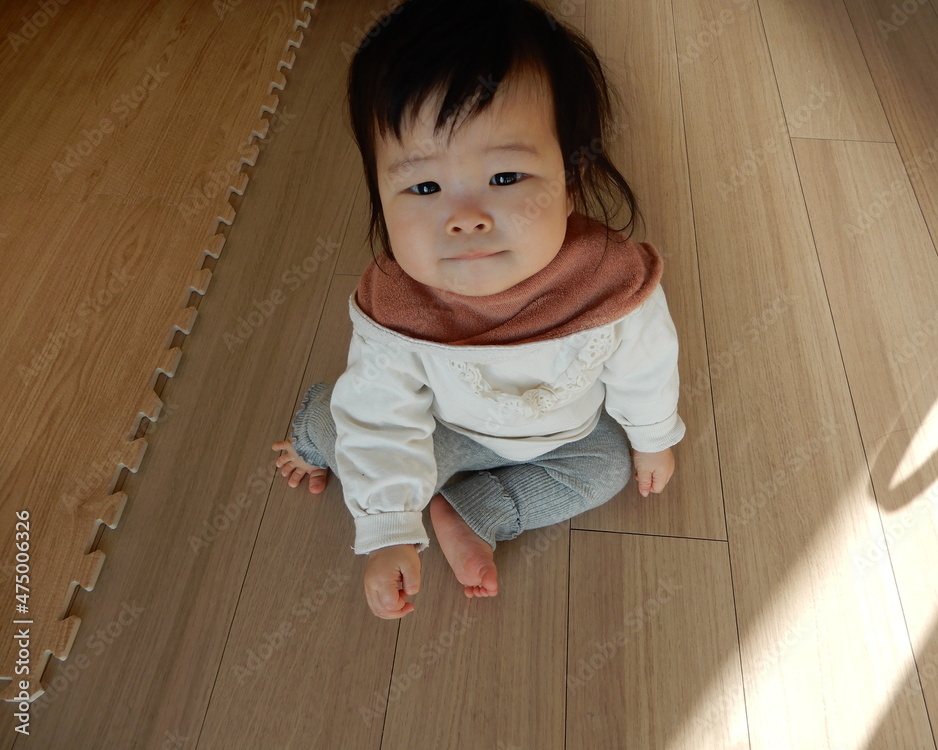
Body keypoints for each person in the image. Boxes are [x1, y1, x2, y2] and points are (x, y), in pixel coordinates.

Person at [272, 0, 685, 620]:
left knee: (608, 469)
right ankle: (314, 422)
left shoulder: (609, 281)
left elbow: (646, 368)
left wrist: (653, 439)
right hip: (446, 431)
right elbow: (383, 421)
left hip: (564, 434)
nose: (465, 218)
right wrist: (389, 533)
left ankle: (475, 511)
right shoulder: (399, 307)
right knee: (354, 433)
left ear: (570, 180)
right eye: (424, 187)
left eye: (505, 177)